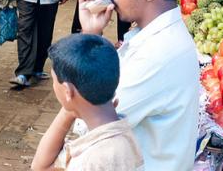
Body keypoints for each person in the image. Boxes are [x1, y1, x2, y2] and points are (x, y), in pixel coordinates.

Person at [78, 0, 200, 170]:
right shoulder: (151, 36)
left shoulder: (156, 55)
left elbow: (92, 124)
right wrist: (92, 33)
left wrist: (87, 38)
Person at [31, 34, 144, 171]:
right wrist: (71, 108)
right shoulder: (122, 137)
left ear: (67, 90)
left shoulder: (89, 162)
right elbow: (41, 167)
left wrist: (71, 104)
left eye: (54, 82)